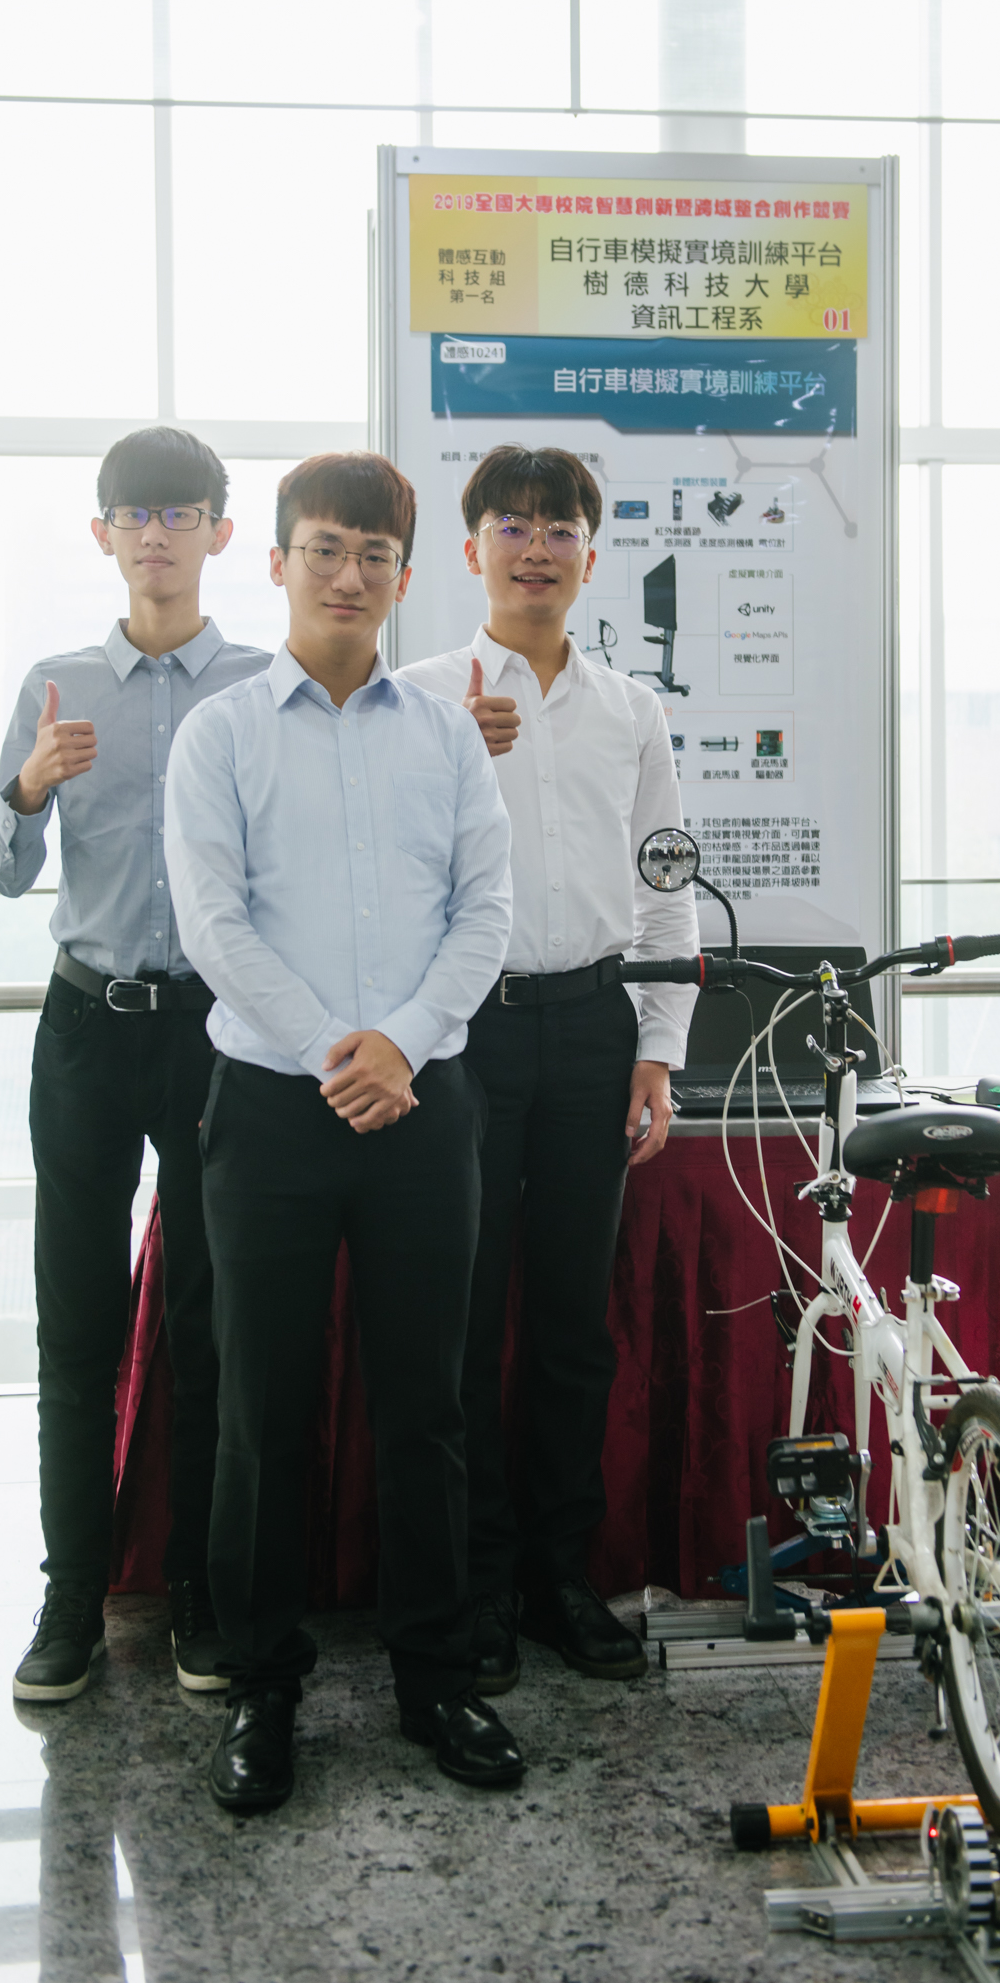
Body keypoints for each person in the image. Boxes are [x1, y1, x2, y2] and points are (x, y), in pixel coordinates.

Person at [164, 451, 522, 1813]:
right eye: (324, 548)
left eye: (374, 555)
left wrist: (403, 1043)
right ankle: (262, 1686)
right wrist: (336, 1047)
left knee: (426, 1403)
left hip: (422, 1104)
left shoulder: (442, 734)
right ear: (275, 563)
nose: (349, 574)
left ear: (404, 576)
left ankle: (434, 1675)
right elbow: (213, 922)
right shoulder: (221, 735)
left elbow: (485, 909)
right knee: (260, 1408)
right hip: (271, 1107)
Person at [399, 444, 699, 1696]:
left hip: (589, 1028)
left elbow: (665, 886)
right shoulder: (418, 698)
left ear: (589, 551)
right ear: (472, 548)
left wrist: (656, 1049)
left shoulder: (632, 710)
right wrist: (446, 760)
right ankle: (470, 1583)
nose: (535, 548)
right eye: (512, 526)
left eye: (559, 527)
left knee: (573, 1321)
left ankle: (557, 1574)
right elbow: (380, 875)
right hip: (461, 1034)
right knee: (460, 1322)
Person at [0, 426, 270, 1705]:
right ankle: (72, 1598)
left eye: (179, 510)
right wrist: (28, 789)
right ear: (102, 534)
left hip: (215, 1030)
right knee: (76, 1322)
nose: (156, 532)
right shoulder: (56, 683)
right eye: (133, 513)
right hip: (87, 1026)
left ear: (218, 530)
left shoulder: (257, 686)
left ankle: (201, 1588)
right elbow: (3, 869)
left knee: (210, 1320)